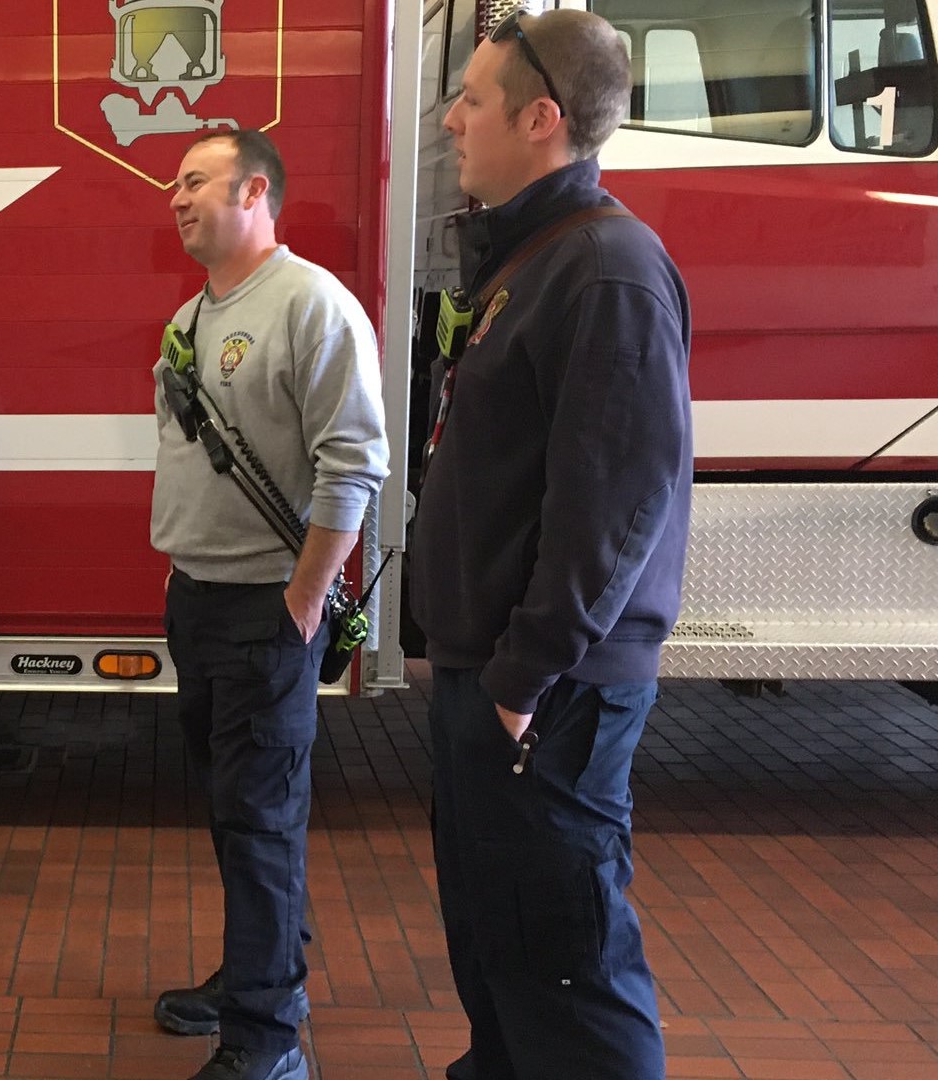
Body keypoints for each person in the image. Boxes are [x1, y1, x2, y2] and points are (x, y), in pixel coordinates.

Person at [411, 10, 691, 1079]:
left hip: (545, 693)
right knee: (499, 942)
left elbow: (614, 502)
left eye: (472, 100)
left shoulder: (606, 270)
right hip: (502, 680)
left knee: (566, 961)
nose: (450, 119)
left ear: (542, 119)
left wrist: (526, 674)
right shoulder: (536, 258)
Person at [151, 130, 389, 1080]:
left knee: (258, 820)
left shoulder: (310, 303)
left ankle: (265, 1043)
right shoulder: (191, 318)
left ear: (255, 191)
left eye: (195, 180)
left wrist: (303, 598)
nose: (175, 196)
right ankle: (256, 974)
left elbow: (355, 461)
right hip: (200, 603)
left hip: (266, 611)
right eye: (174, 183)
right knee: (233, 812)